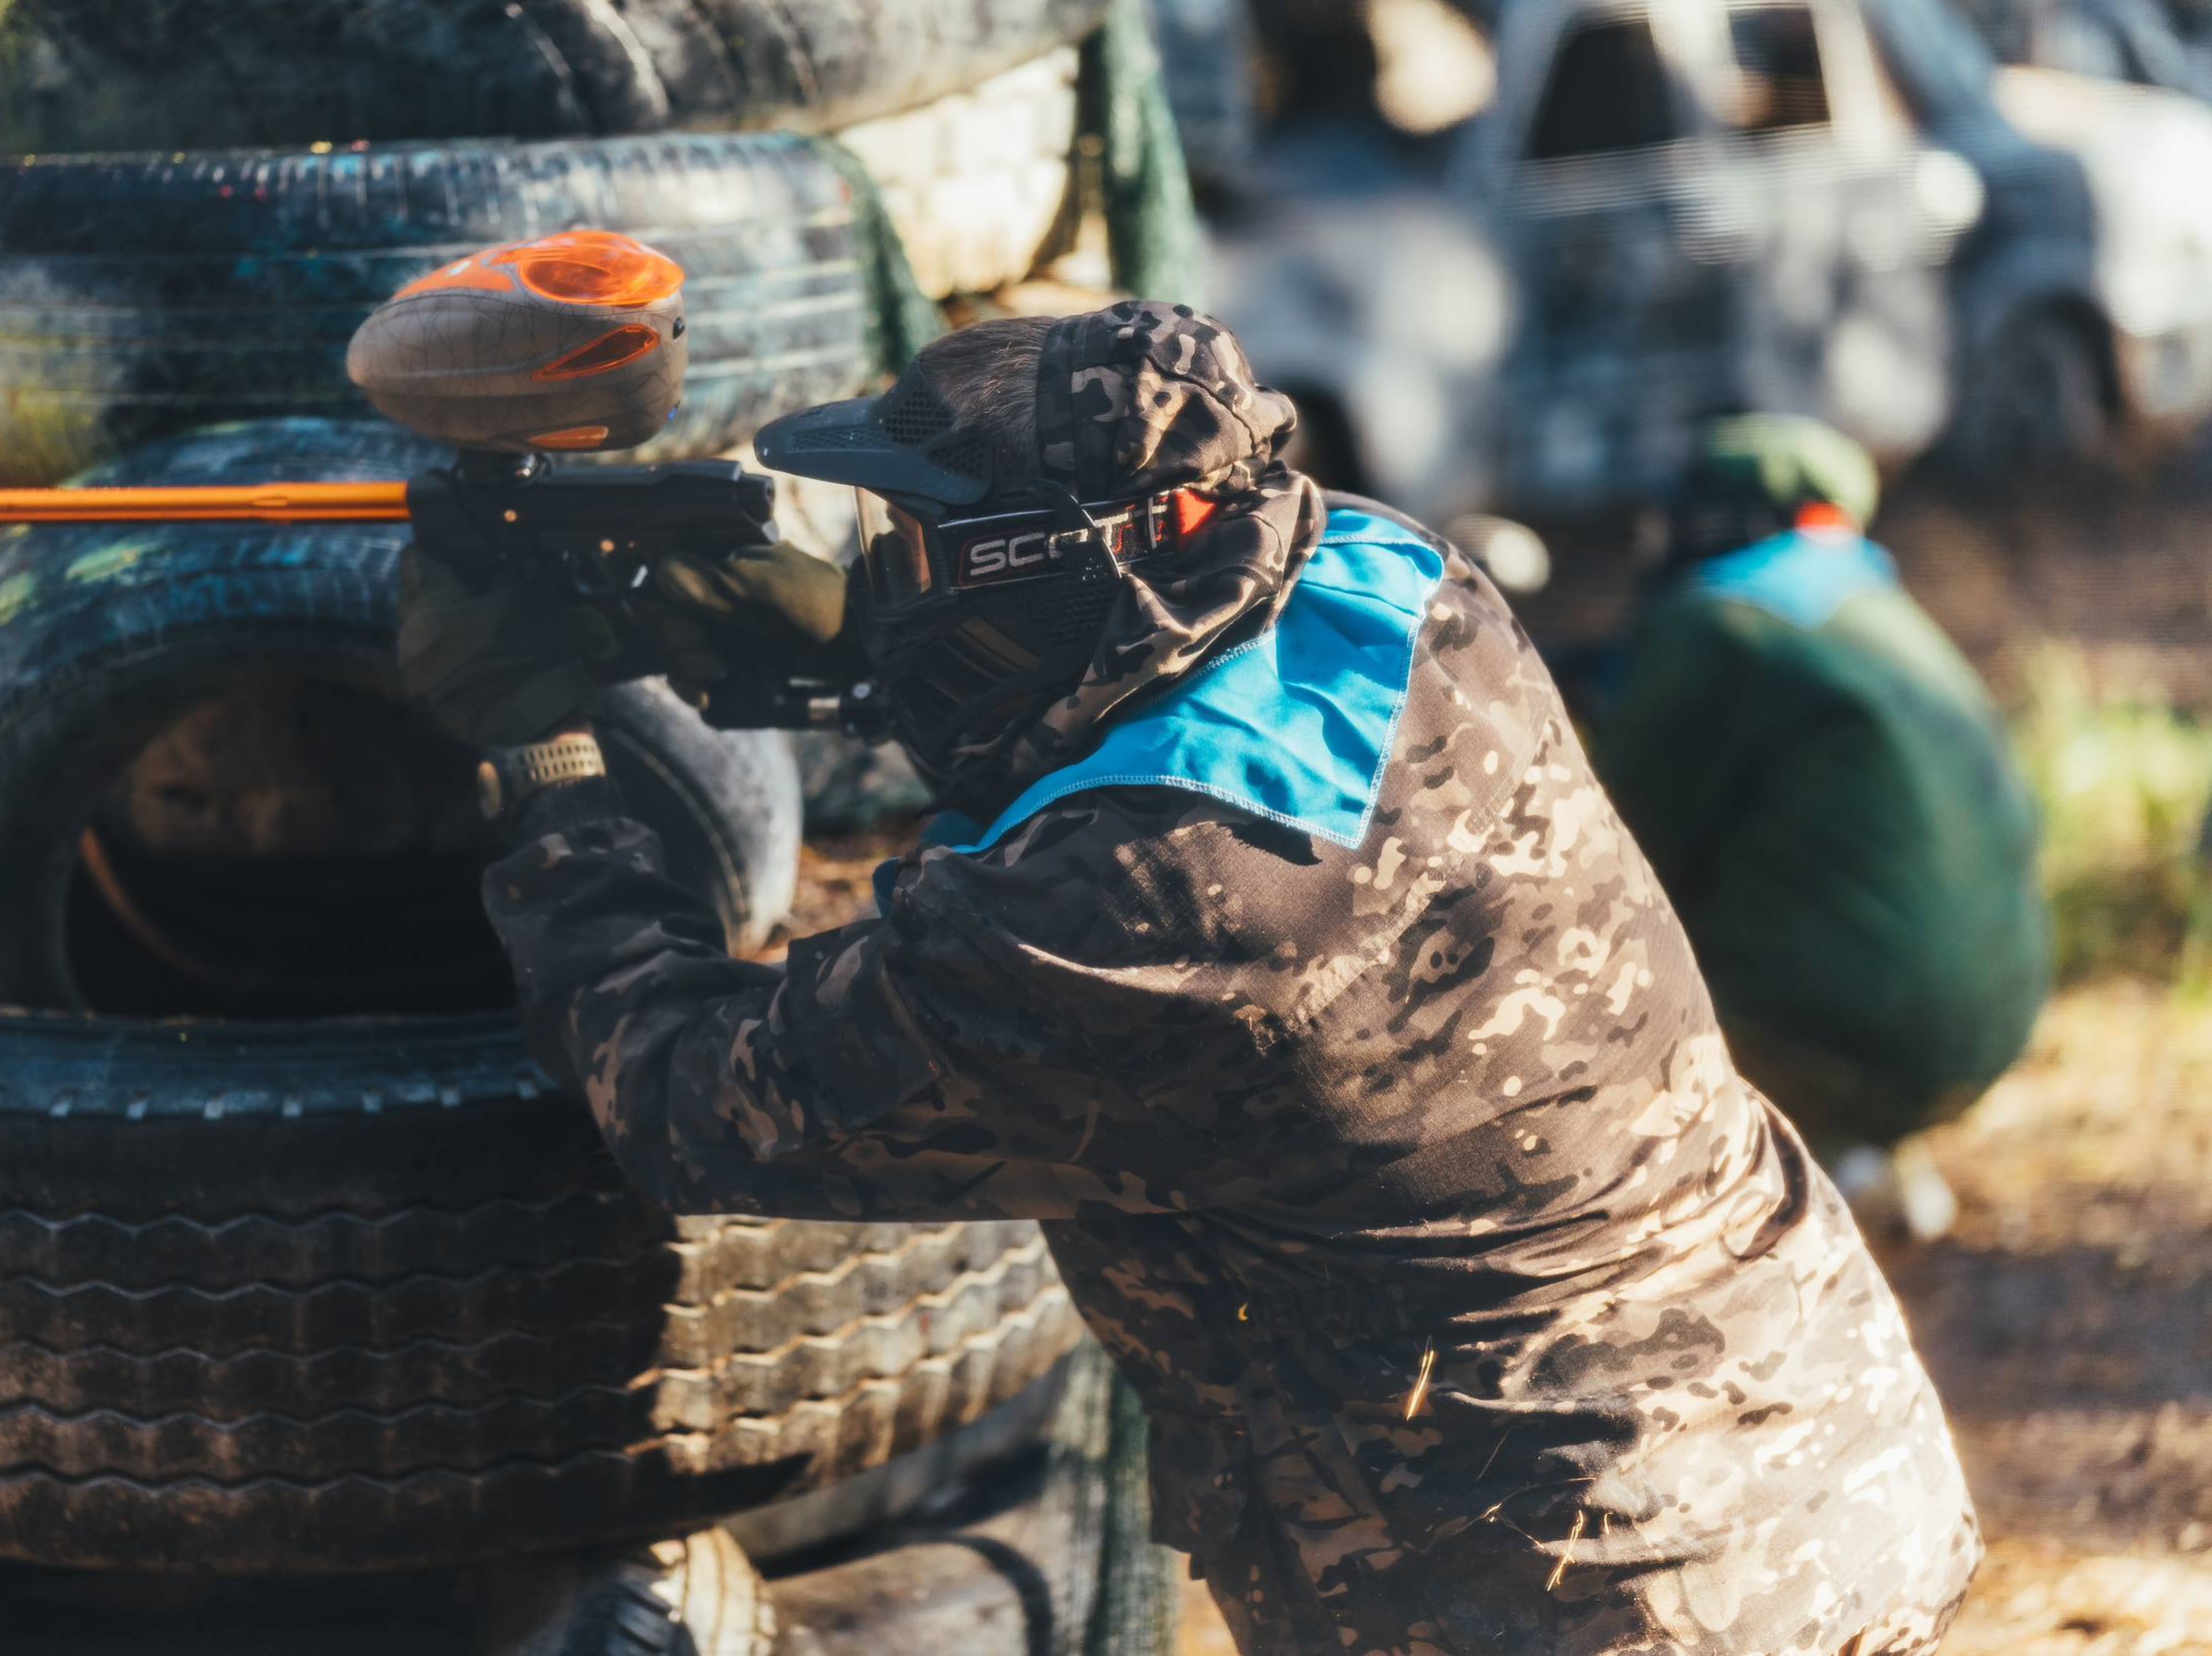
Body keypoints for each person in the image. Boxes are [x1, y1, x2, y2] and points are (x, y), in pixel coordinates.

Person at [401, 307, 1979, 1654]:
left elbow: (689, 1091)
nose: (895, 568)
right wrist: (836, 636)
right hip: (1810, 1436)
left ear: (1057, 559)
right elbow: (1108, 688)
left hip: (1582, 1583)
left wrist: (541, 749)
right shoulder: (1391, 575)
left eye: (920, 544)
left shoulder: (1149, 914)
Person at [1586, 416, 2050, 1237]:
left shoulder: (1717, 621)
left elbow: (1626, 849)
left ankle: (1805, 1159)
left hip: (1845, 1027)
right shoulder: (1880, 608)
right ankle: (1863, 1142)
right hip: (1997, 1016)